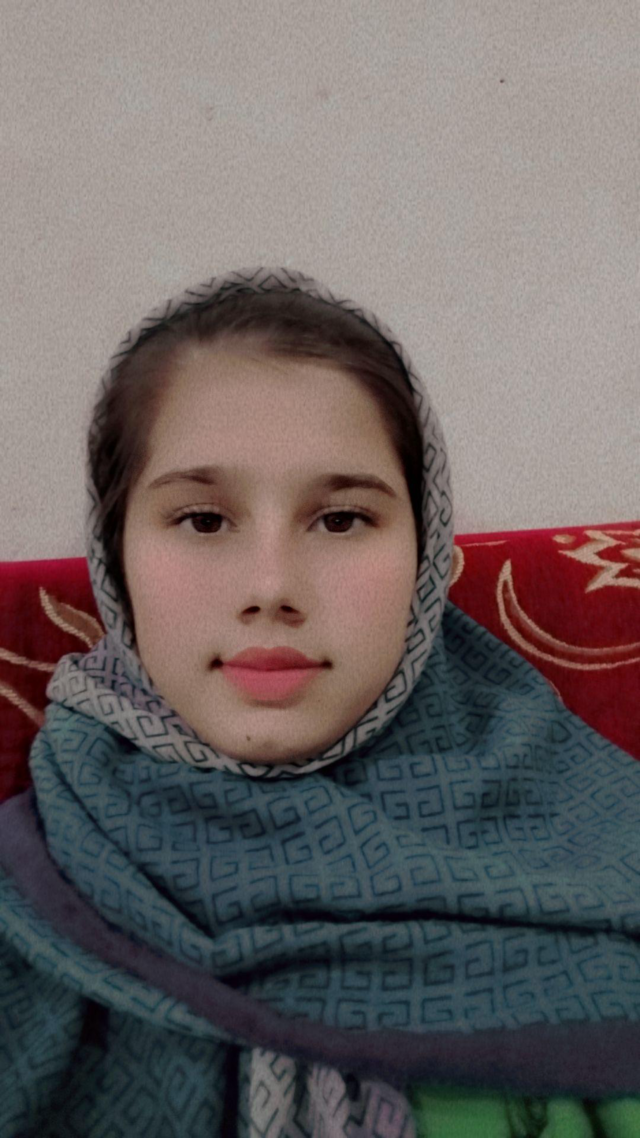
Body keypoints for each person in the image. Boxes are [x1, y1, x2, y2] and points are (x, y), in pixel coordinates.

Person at [1, 265, 640, 1137]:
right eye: (203, 520)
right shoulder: (35, 895)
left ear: (423, 548)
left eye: (341, 519)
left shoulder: (599, 850)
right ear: (116, 555)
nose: (271, 588)